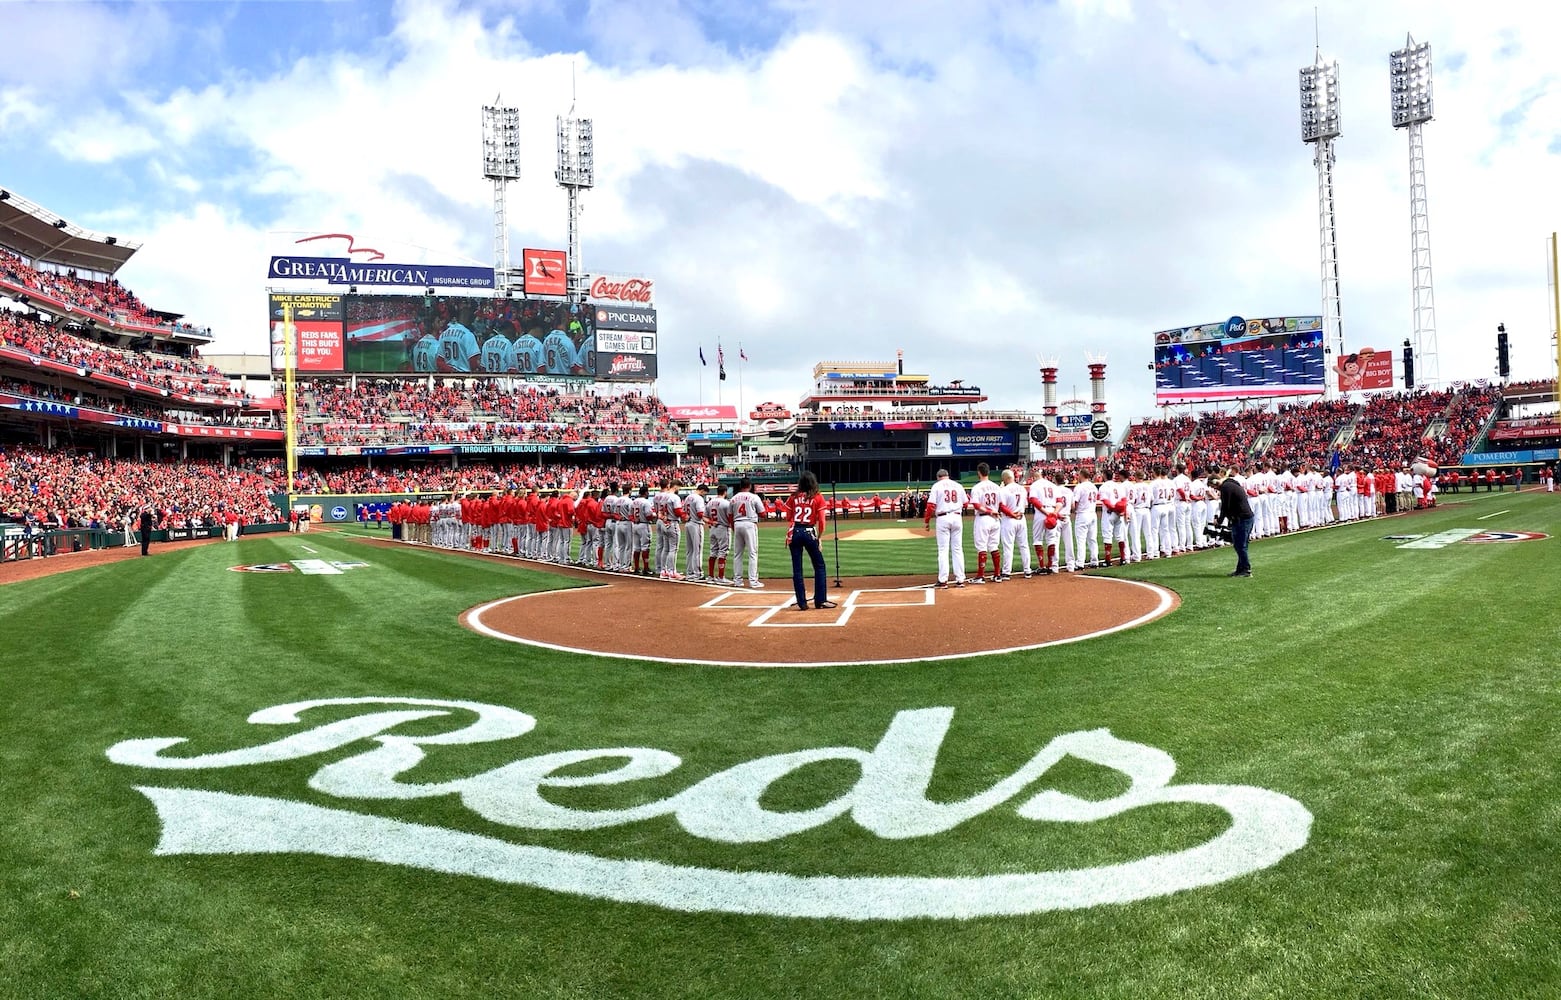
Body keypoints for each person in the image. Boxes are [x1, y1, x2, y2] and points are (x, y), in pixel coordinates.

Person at [781, 471, 833, 611]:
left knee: (797, 569)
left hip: (795, 532)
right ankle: (820, 600)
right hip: (810, 532)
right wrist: (820, 537)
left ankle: (802, 602)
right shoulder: (818, 497)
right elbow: (822, 521)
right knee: (819, 566)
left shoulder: (793, 497)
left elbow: (788, 517)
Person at [922, 469, 968, 588]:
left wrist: (927, 521)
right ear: (948, 476)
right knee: (957, 549)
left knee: (943, 550)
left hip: (943, 517)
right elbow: (966, 503)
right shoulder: (958, 485)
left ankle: (943, 580)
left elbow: (930, 505)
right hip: (957, 517)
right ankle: (960, 579)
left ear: (938, 477)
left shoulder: (936, 486)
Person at [1211, 468, 1254, 577]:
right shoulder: (1230, 484)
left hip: (1242, 518)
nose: (1215, 489)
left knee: (1240, 545)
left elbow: (1225, 507)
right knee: (1240, 545)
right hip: (1243, 517)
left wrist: (1219, 521)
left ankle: (1246, 569)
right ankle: (1240, 569)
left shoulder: (1226, 488)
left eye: (1214, 487)